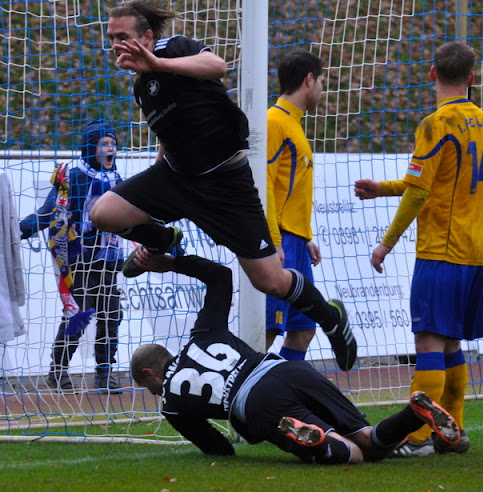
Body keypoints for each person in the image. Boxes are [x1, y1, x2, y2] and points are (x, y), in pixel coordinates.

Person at [91, 0, 356, 371]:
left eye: (124, 36)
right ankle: (162, 240)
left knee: (270, 281)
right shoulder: (141, 88)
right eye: (112, 38)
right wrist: (153, 189)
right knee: (102, 213)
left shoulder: (175, 50)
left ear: (148, 37)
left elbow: (218, 65)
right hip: (176, 178)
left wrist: (157, 63)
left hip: (226, 185)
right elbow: (171, 133)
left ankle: (331, 319)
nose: (117, 44)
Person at [129, 248, 461, 463]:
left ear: (150, 373)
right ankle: (414, 413)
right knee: (370, 441)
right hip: (287, 370)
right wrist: (172, 262)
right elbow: (221, 276)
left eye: (148, 387)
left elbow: (220, 449)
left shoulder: (171, 404)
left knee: (355, 456)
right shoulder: (203, 333)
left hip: (257, 404)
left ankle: (314, 440)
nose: (152, 393)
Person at [354, 41, 483, 457]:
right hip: (477, 249)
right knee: (450, 344)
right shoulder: (482, 120)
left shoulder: (436, 123)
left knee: (429, 345)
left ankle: (415, 439)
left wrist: (386, 243)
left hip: (442, 250)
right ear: (471, 77)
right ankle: (452, 431)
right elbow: (433, 184)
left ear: (431, 73)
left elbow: (418, 196)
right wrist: (383, 190)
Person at [20, 120, 124, 392]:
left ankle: (104, 373)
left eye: (113, 143)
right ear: (91, 148)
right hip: (78, 261)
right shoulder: (73, 177)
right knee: (77, 316)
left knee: (111, 316)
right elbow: (47, 214)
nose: (111, 148)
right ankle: (58, 370)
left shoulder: (118, 180)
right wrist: (17, 230)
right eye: (105, 143)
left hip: (108, 261)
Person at [264, 50, 329, 361]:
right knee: (264, 333)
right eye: (321, 82)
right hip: (279, 242)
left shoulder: (293, 124)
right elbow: (263, 186)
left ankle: (284, 398)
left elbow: (288, 190)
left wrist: (305, 237)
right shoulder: (274, 122)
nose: (322, 89)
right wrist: (275, 241)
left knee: (303, 329)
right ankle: (243, 403)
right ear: (308, 80)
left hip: (295, 242)